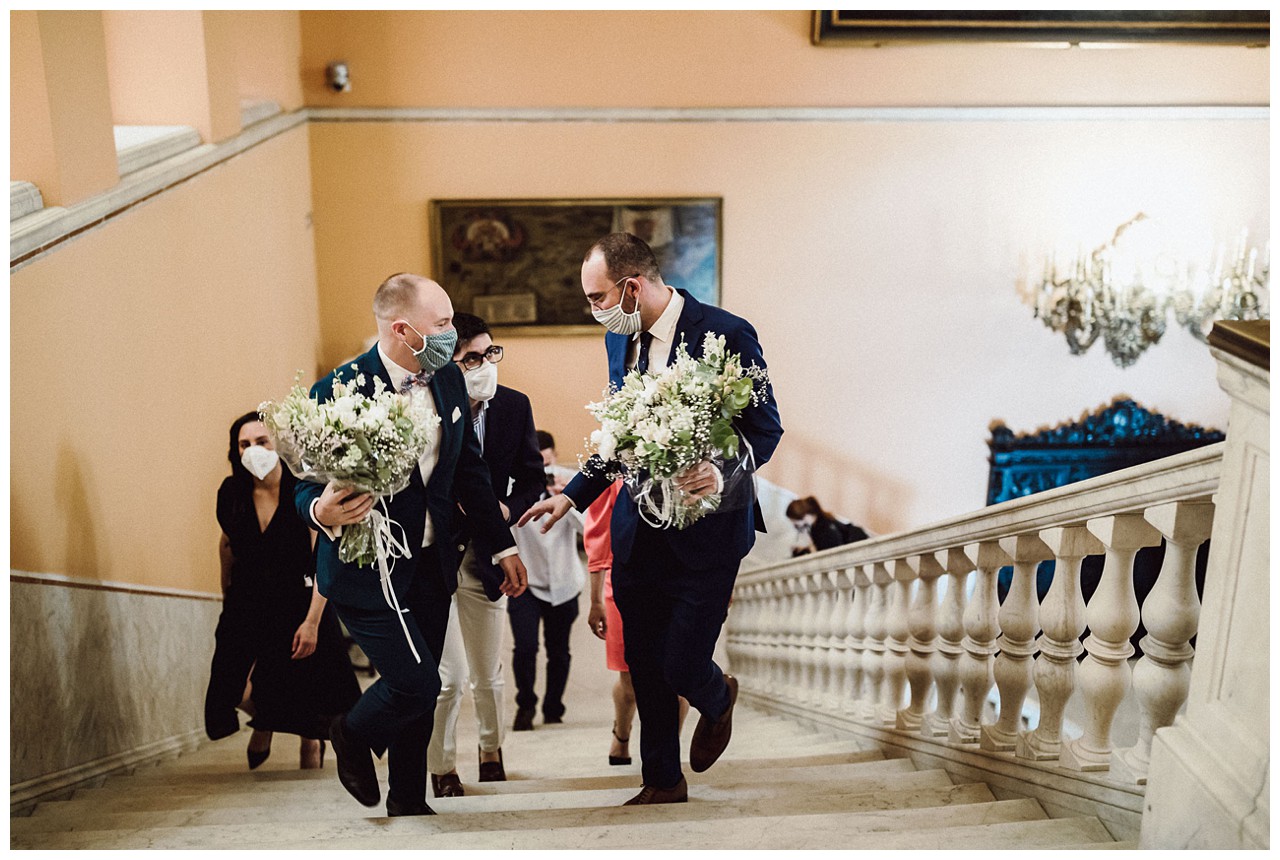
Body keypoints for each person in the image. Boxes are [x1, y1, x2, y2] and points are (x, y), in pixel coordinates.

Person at [520, 232, 783, 805]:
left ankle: (717, 697)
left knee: (684, 660)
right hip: (639, 528)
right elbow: (620, 436)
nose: (595, 311)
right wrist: (574, 494)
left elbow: (765, 429)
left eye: (598, 298)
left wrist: (722, 468)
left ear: (632, 287)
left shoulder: (727, 332)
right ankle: (662, 779)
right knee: (643, 661)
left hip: (710, 528)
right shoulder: (620, 344)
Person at [295, 273, 528, 817]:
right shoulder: (339, 388)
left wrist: (503, 546)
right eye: (443, 324)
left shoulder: (447, 381)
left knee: (420, 685)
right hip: (362, 563)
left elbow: (469, 472)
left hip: (432, 561)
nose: (452, 335)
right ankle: (350, 732)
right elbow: (301, 480)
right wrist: (318, 508)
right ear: (404, 329)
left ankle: (407, 797)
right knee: (419, 679)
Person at [427, 313, 545, 799]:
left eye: (489, 353)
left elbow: (533, 477)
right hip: (438, 553)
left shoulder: (515, 406)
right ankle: (441, 765)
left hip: (491, 554)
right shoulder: (429, 407)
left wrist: (508, 510)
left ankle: (491, 751)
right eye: (471, 357)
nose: (484, 364)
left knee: (487, 671)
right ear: (448, 365)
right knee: (447, 677)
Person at [204, 412, 360, 770]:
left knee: (308, 683)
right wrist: (227, 594)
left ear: (279, 445)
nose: (253, 450)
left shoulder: (302, 490)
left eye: (262, 441)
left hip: (298, 600)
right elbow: (227, 545)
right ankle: (267, 722)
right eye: (244, 444)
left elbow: (324, 558)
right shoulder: (231, 493)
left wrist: (312, 621)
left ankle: (310, 741)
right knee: (228, 687)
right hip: (246, 600)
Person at [507, 431, 586, 733]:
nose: (545, 470)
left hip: (565, 580)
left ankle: (554, 707)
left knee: (559, 650)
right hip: (524, 579)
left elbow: (588, 531)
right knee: (525, 647)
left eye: (548, 463)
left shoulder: (571, 482)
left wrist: (566, 499)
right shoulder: (514, 485)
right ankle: (525, 705)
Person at [786, 496, 869, 557]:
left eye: (794, 521)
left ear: (803, 516)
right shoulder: (820, 523)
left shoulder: (822, 527)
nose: (794, 525)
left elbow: (832, 552)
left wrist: (810, 550)